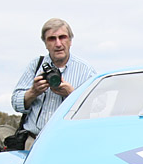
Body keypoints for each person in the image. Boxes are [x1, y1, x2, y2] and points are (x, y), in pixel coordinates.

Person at [11, 18, 96, 148]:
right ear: (45, 44)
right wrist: (33, 92)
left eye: (62, 37)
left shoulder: (86, 71)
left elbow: (97, 108)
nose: (58, 44)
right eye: (52, 39)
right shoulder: (36, 65)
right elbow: (15, 102)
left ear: (70, 41)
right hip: (33, 143)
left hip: (67, 144)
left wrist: (72, 94)